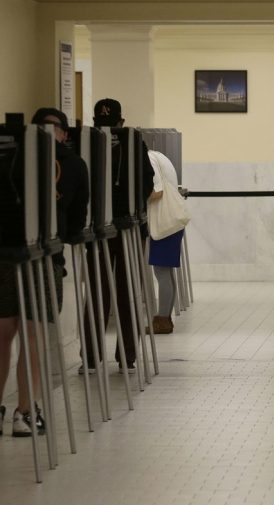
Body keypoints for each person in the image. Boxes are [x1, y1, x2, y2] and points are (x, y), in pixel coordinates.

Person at [0, 107, 89, 437]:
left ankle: (14, 409)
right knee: (28, 334)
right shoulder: (74, 165)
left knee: (14, 334)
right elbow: (77, 222)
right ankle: (25, 412)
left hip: (12, 254)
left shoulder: (9, 156)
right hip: (41, 255)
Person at [79, 98, 154, 374]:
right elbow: (147, 183)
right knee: (125, 292)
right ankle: (126, 356)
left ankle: (94, 356)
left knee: (102, 293)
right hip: (126, 227)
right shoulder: (135, 144)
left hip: (103, 228)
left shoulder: (89, 145)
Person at [146, 150, 185, 334]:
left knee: (161, 272)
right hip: (171, 221)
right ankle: (165, 319)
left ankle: (162, 320)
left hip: (163, 221)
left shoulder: (149, 159)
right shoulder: (158, 155)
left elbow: (157, 192)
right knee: (166, 272)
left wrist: (136, 201)